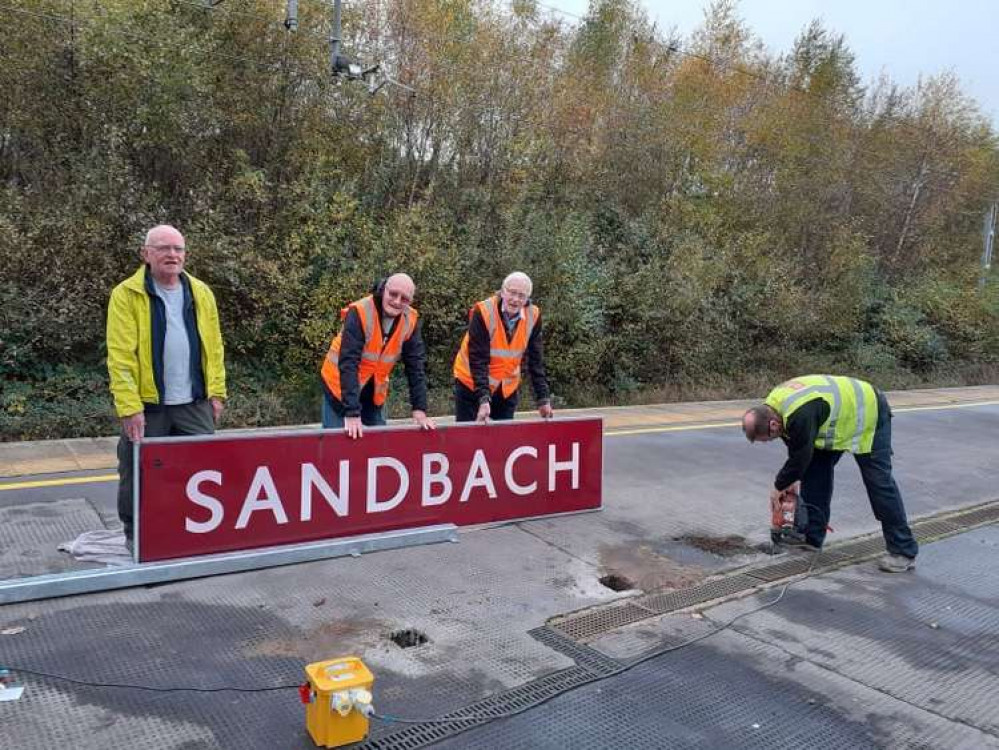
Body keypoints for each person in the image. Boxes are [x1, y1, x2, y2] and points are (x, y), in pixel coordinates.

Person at [106, 225, 226, 544]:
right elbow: (120, 357)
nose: (172, 255)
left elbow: (214, 347)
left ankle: (189, 529)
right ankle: (137, 535)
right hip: (148, 406)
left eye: (178, 249)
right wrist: (129, 407)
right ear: (146, 254)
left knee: (200, 470)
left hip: (194, 403)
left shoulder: (201, 292)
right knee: (137, 473)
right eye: (163, 248)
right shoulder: (126, 295)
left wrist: (216, 393)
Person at [742, 375, 918, 573]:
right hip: (835, 423)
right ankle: (812, 539)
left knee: (879, 485)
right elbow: (797, 445)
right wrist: (793, 478)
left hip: (868, 415)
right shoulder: (775, 406)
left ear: (773, 425)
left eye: (766, 439)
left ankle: (903, 551)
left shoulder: (800, 413)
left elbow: (801, 454)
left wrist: (778, 486)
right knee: (814, 476)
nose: (767, 442)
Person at [320, 273, 435, 439]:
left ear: (410, 301)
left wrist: (420, 410)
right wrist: (351, 412)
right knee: (338, 447)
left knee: (380, 444)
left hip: (374, 392)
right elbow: (348, 362)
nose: (397, 301)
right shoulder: (360, 311)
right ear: (384, 289)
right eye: (393, 294)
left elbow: (416, 367)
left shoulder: (410, 320)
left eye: (404, 299)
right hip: (339, 388)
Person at [453, 271, 553, 424]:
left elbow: (535, 360)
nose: (515, 299)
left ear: (527, 299)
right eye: (512, 293)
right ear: (502, 291)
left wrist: (543, 398)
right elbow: (478, 358)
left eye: (521, 295)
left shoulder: (533, 316)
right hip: (471, 385)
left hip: (506, 389)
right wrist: (483, 398)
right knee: (467, 441)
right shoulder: (483, 311)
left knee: (503, 443)